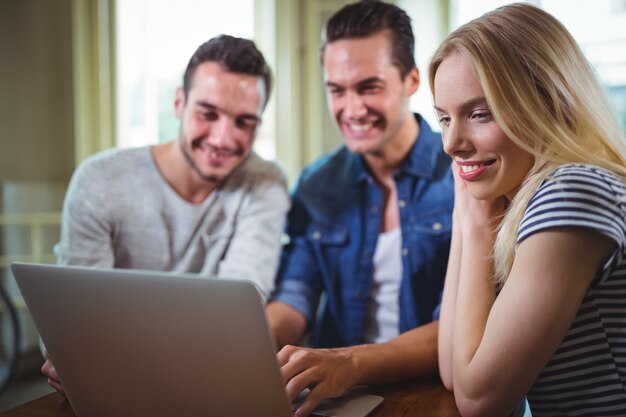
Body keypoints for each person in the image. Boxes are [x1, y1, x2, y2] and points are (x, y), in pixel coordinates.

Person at [42, 35, 290, 394]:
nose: (223, 138)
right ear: (178, 103)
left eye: (244, 122)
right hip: (113, 388)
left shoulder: (265, 183)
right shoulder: (100, 180)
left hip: (209, 385)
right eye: (208, 114)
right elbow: (75, 325)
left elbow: (238, 320)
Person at [430, 3, 626, 416]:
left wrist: (477, 225)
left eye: (479, 114)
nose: (451, 144)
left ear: (548, 102)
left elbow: (479, 400)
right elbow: (452, 368)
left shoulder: (571, 192)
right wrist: (468, 217)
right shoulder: (522, 200)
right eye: (445, 118)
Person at [267, 1, 454, 415]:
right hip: (338, 393)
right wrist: (249, 342)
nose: (351, 110)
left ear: (411, 80)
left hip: (438, 394)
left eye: (369, 87)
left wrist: (348, 363)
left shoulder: (461, 177)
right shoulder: (318, 184)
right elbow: (296, 293)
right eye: (337, 90)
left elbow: (459, 331)